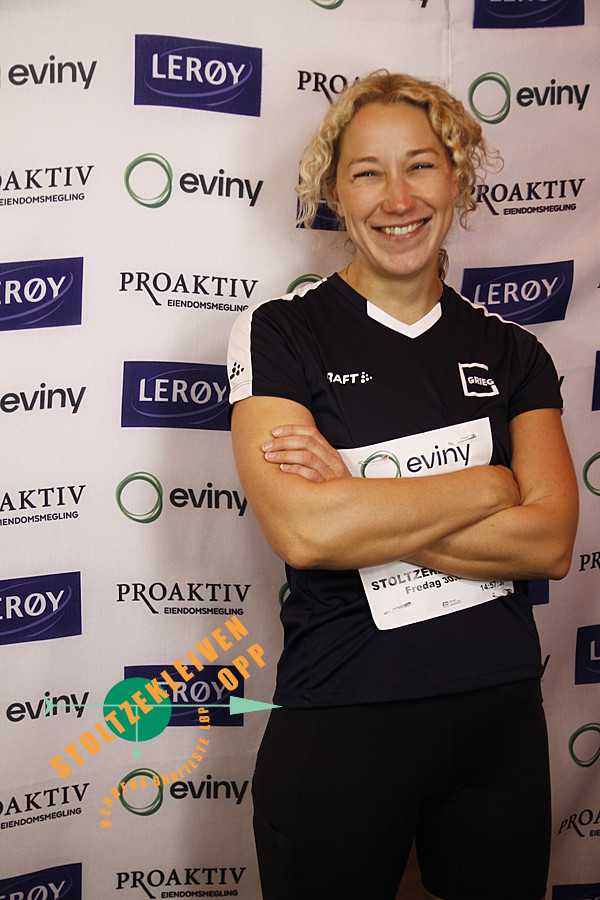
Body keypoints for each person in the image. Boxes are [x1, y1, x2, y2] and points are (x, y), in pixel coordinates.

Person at [227, 72, 578, 900]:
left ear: (457, 180)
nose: (397, 199)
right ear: (335, 195)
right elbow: (306, 532)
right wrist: (492, 484)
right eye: (367, 173)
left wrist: (354, 495)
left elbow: (550, 543)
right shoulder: (281, 331)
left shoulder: (514, 351)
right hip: (342, 717)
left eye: (421, 166)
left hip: (498, 723)